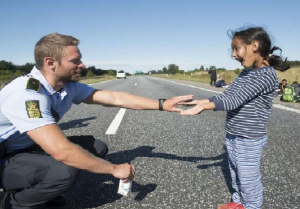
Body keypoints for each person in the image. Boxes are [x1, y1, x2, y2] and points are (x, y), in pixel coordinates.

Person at [0, 33, 193, 209]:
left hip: (25, 147)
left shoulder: (67, 86)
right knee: (64, 170)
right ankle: (12, 203)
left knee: (96, 147)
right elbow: (61, 151)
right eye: (75, 61)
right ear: (51, 62)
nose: (82, 65)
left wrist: (162, 104)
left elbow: (115, 98)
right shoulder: (26, 94)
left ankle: (42, 189)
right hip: (4, 155)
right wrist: (114, 169)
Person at [180, 27, 289, 209]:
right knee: (235, 172)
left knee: (248, 180)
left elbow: (233, 100)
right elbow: (228, 93)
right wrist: (203, 100)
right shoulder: (247, 73)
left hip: (249, 138)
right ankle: (239, 203)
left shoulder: (266, 75)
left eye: (236, 48)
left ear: (254, 46)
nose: (233, 55)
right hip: (234, 133)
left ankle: (252, 206)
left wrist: (204, 107)